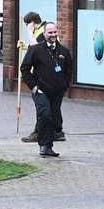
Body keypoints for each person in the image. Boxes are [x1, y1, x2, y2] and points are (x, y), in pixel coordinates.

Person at [20, 21, 72, 158]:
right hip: (41, 91)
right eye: (50, 32)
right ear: (44, 34)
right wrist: (34, 86)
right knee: (45, 115)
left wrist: (64, 86)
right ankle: (44, 146)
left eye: (55, 32)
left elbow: (69, 71)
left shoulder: (64, 52)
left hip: (57, 92)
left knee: (54, 119)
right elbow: (24, 68)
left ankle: (50, 143)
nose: (53, 35)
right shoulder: (36, 50)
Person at [19, 11, 64, 143]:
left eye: (28, 24)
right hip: (52, 74)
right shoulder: (43, 32)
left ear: (32, 23)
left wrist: (29, 32)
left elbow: (38, 48)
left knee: (42, 107)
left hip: (43, 76)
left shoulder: (43, 32)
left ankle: (39, 132)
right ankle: (57, 131)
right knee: (52, 106)